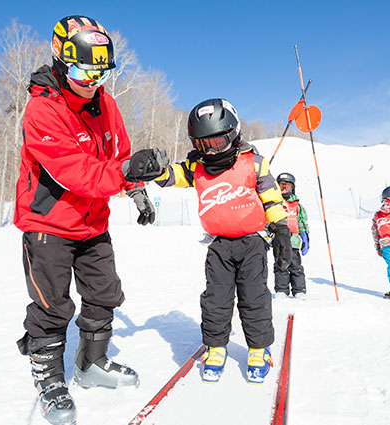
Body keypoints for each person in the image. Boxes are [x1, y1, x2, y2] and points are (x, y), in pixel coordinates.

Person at [13, 15, 155, 425]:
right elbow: (75, 173)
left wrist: (136, 188)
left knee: (104, 293)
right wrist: (125, 175)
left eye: (99, 70)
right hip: (49, 226)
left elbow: (117, 154)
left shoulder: (107, 104)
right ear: (60, 60)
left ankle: (91, 364)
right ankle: (50, 379)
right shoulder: (42, 110)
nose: (91, 80)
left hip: (93, 224)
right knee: (52, 305)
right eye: (81, 70)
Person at [123, 98, 292, 385]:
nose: (211, 150)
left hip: (252, 243)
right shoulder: (197, 166)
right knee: (216, 300)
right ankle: (215, 347)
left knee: (254, 299)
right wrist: (154, 170)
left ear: (233, 134)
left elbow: (272, 198)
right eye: (204, 145)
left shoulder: (254, 164)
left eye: (217, 142)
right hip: (219, 246)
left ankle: (258, 349)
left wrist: (282, 228)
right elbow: (173, 175)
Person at [273, 173, 309, 299]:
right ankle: (281, 290)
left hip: (293, 241)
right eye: (281, 186)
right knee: (280, 265)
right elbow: (268, 222)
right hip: (279, 241)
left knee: (295, 266)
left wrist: (305, 236)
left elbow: (302, 222)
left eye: (286, 186)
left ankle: (299, 290)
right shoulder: (274, 204)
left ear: (292, 188)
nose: (284, 189)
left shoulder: (297, 206)